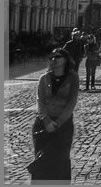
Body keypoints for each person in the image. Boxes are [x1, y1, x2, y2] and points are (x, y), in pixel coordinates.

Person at [27, 49, 79, 181]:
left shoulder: (72, 77)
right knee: (41, 158)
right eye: (51, 57)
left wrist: (58, 123)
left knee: (61, 159)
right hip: (42, 124)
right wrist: (46, 121)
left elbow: (71, 102)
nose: (54, 59)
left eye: (58, 57)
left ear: (65, 59)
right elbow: (40, 101)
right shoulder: (44, 78)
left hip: (64, 124)